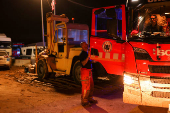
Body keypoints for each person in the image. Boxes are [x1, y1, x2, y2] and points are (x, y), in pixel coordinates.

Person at [79, 41, 98, 107]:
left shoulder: (86, 53)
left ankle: (90, 98)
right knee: (85, 87)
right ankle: (84, 102)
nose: (86, 45)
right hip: (85, 72)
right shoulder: (82, 54)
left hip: (89, 71)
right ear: (82, 46)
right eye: (85, 45)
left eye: (86, 44)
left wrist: (94, 61)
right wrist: (88, 57)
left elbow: (89, 61)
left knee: (91, 86)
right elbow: (83, 63)